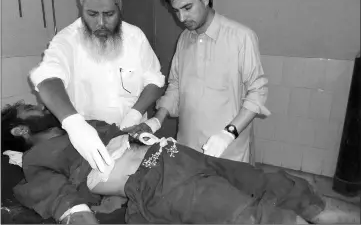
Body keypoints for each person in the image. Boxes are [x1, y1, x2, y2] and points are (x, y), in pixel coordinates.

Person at [4, 101, 359, 224]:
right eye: (29, 108)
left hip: (179, 154)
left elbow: (130, 131)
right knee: (259, 219)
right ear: (20, 128)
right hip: (158, 181)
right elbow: (70, 209)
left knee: (287, 187)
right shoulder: (36, 162)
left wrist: (148, 122)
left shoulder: (79, 125)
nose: (41, 107)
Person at [124, 0, 269, 164]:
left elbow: (257, 92)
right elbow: (175, 87)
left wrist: (228, 134)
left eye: (187, 8)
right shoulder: (184, 39)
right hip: (187, 149)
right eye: (176, 11)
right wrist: (156, 120)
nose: (182, 18)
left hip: (227, 152)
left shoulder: (241, 38)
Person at [29, 0, 165, 174]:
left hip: (134, 138)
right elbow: (47, 78)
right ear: (81, 7)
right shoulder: (66, 40)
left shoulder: (135, 37)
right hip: (92, 145)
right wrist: (74, 124)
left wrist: (135, 113)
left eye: (109, 14)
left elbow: (155, 80)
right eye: (92, 14)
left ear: (119, 7)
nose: (101, 23)